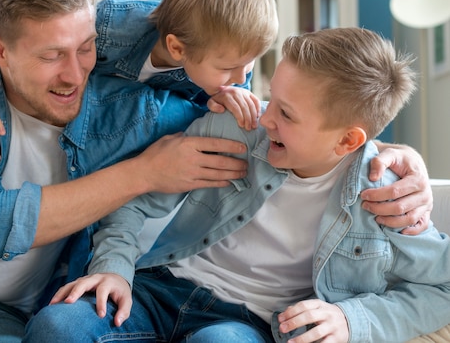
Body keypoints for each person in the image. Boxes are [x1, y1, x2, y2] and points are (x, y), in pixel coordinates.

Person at [0, 0, 433, 340]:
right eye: (51, 56)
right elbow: (0, 224)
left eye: (84, 48)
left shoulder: (186, 103)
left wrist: (392, 155)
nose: (75, 71)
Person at [28, 27, 450, 343]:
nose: (265, 118)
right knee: (57, 326)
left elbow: (443, 288)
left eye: (286, 113)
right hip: (162, 289)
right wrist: (114, 270)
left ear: (347, 140)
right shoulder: (238, 127)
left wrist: (353, 321)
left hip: (249, 323)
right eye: (271, 96)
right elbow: (136, 201)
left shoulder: (387, 195)